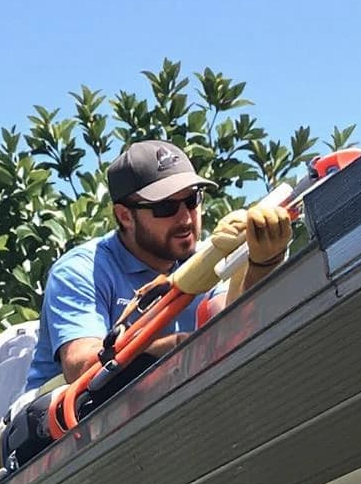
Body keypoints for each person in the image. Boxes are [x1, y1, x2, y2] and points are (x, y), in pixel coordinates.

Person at [21, 139, 293, 394]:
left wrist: (262, 264)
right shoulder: (81, 270)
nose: (186, 218)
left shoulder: (205, 257)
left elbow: (232, 323)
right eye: (165, 207)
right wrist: (176, 350)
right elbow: (80, 367)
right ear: (124, 216)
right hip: (72, 438)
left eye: (192, 199)